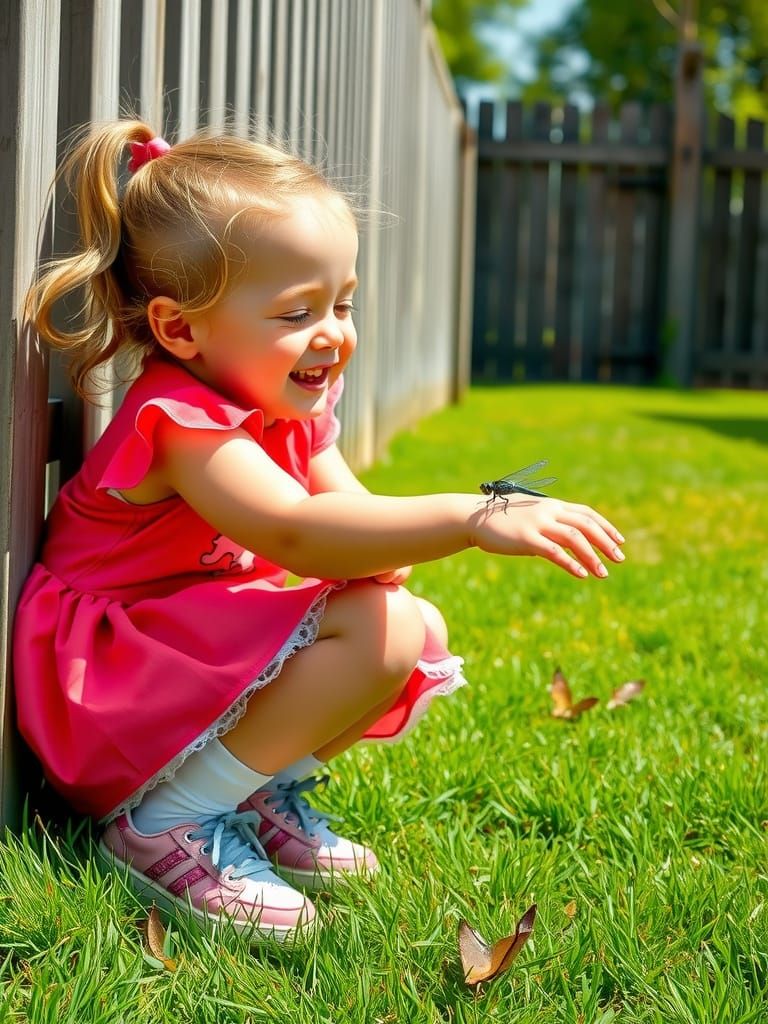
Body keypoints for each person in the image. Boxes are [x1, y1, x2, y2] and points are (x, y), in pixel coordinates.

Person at [14, 120, 625, 945]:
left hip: (176, 644)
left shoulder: (287, 412)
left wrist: (383, 562)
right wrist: (475, 517)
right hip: (105, 673)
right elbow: (299, 532)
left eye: (342, 302)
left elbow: (351, 515)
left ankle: (242, 791)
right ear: (180, 329)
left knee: (406, 621)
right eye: (297, 311)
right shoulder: (184, 424)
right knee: (380, 627)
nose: (333, 333)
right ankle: (166, 820)